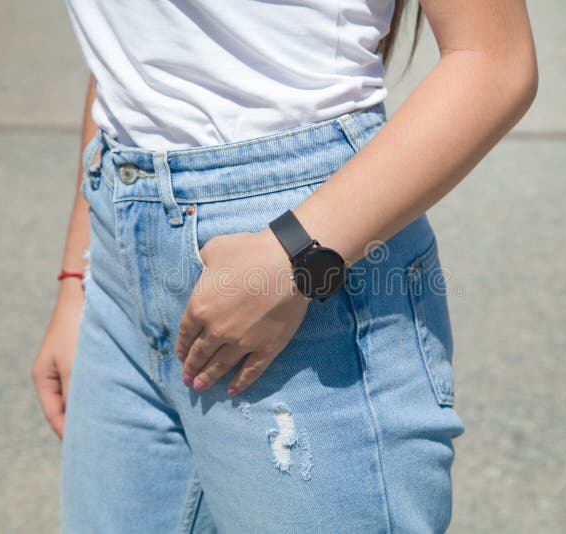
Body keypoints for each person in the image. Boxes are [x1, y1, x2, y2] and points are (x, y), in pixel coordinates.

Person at [31, 0, 537, 532]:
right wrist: (77, 279)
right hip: (118, 257)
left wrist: (293, 257)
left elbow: (494, 61)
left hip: (303, 265)